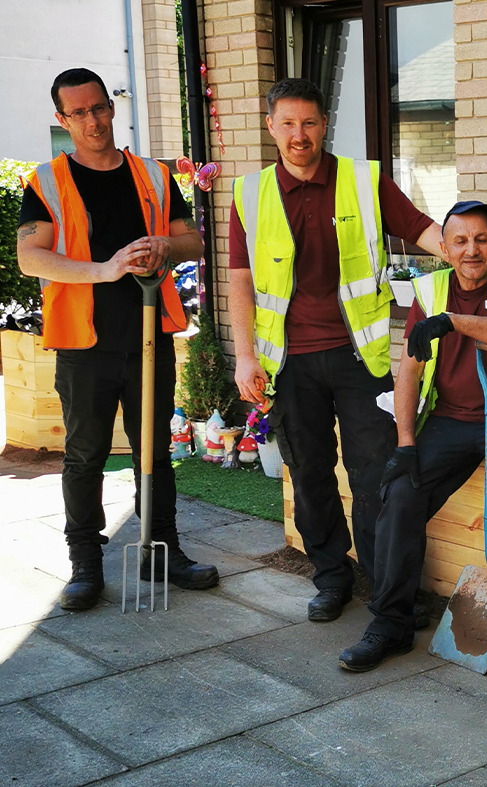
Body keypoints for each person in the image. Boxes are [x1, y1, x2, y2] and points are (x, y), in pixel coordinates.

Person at [229, 78, 443, 623]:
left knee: (376, 474)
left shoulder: (363, 180)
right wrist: (245, 357)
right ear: (270, 126)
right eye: (287, 124)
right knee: (310, 474)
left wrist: (465, 250)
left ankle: (388, 587)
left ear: (325, 124)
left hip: (359, 360)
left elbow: (420, 229)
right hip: (288, 363)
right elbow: (239, 278)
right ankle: (331, 578)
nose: (299, 135)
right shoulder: (249, 194)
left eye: (309, 123)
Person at [16, 68, 218, 610]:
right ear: (62, 119)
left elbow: (192, 241)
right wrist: (104, 270)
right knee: (86, 454)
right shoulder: (46, 181)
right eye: (78, 112)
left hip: (148, 332)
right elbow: (30, 256)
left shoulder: (153, 175)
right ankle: (85, 564)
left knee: (155, 449)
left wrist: (164, 248)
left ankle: (162, 549)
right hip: (84, 344)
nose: (93, 120)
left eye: (99, 107)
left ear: (111, 106)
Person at [338, 200, 487, 670]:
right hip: (448, 420)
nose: (473, 250)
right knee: (401, 495)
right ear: (445, 248)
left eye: (483, 239)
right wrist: (406, 442)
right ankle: (391, 621)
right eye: (461, 241)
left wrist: (452, 322)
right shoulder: (429, 290)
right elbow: (408, 369)